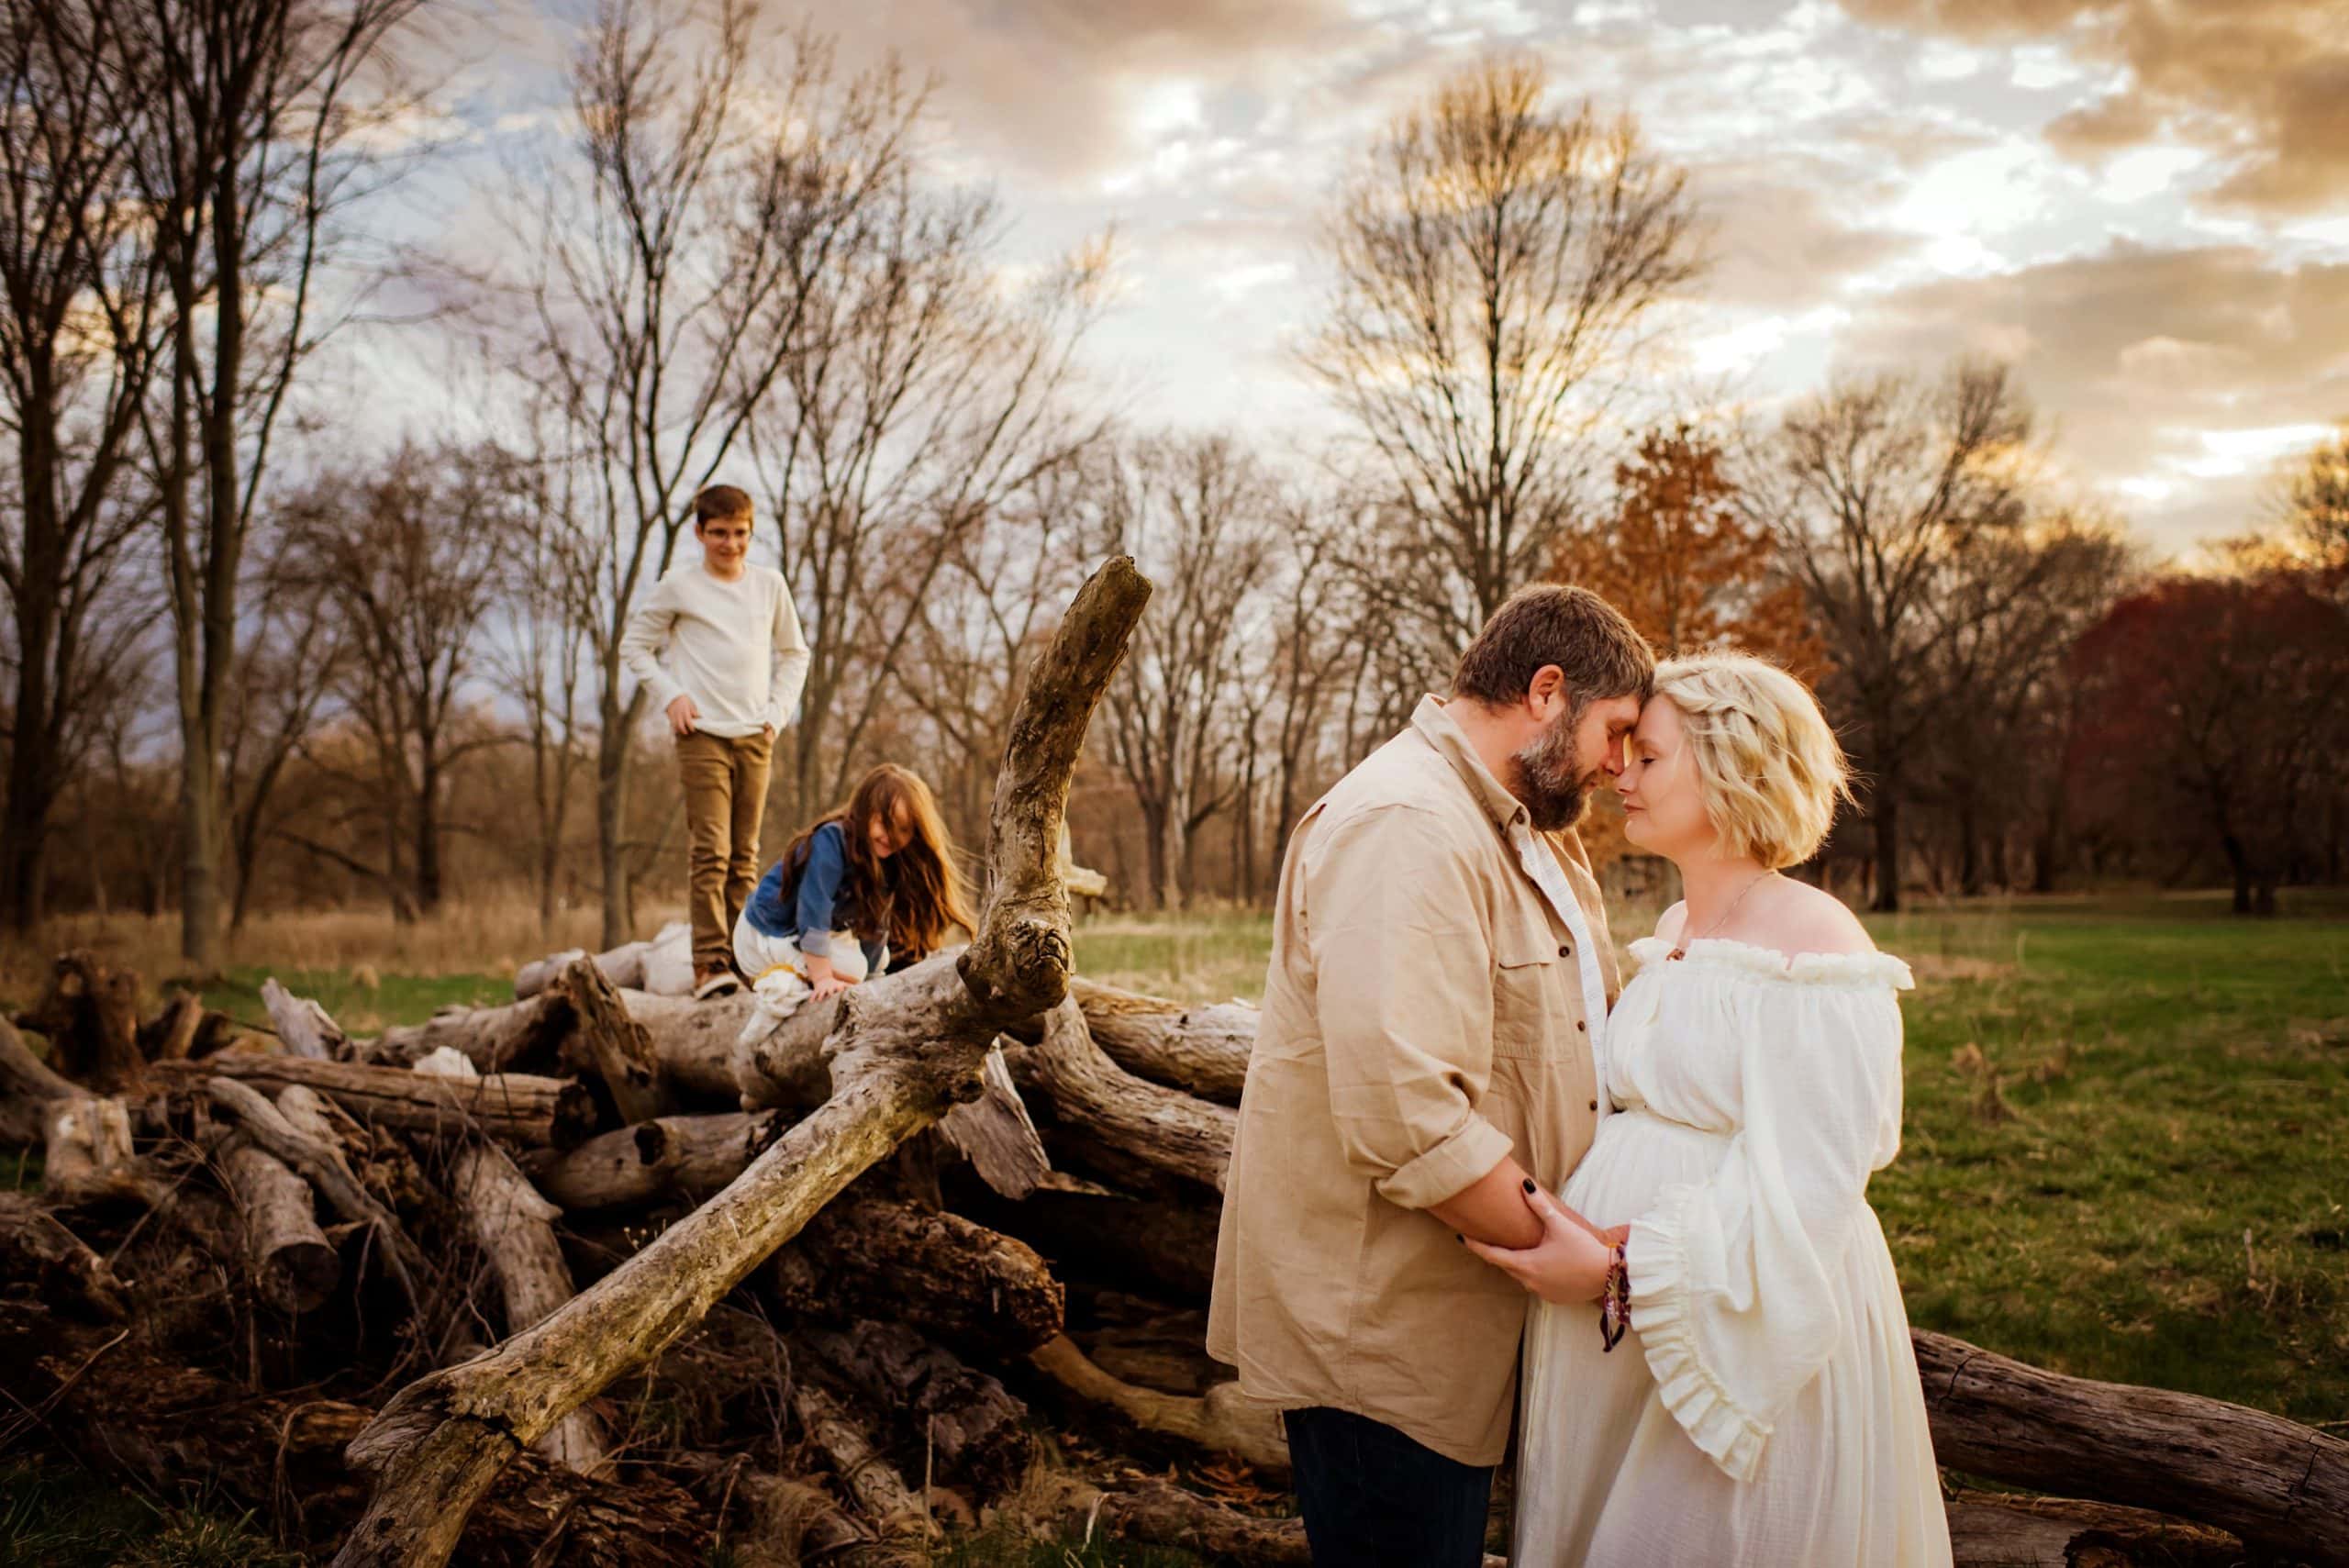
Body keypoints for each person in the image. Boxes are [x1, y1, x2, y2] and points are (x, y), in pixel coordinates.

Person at [1467, 651, 1954, 1567]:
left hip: (1735, 1316)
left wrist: (1620, 1268)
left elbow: (1811, 1186)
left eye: (1648, 757)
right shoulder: (1667, 938)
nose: (1619, 771)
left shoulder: (1817, 944)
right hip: (1627, 1328)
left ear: (1732, 766)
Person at [1208, 584, 1656, 1568]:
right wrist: (1582, 1258)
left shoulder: (1519, 828)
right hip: (1385, 1330)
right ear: (1548, 691)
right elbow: (1404, 1113)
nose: (1618, 763)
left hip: (1465, 1313)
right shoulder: (1405, 822)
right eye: (1615, 730)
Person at [619, 484, 810, 1000]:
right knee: (712, 850)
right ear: (700, 533)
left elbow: (795, 653)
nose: (731, 544)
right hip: (701, 733)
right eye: (720, 533)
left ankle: (744, 958)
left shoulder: (769, 586)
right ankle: (709, 963)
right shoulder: (679, 586)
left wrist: (777, 712)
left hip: (755, 733)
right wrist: (671, 694)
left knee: (745, 855)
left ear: (751, 532)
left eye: (740, 533)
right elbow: (635, 646)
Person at [734, 763, 976, 1011]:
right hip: (763, 933)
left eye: (902, 830)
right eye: (884, 823)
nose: (890, 836)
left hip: (802, 933)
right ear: (864, 811)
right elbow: (812, 912)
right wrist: (823, 978)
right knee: (853, 968)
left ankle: (817, 973)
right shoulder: (832, 840)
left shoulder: (888, 861)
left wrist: (874, 984)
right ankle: (793, 977)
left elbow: (876, 927)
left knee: (876, 961)